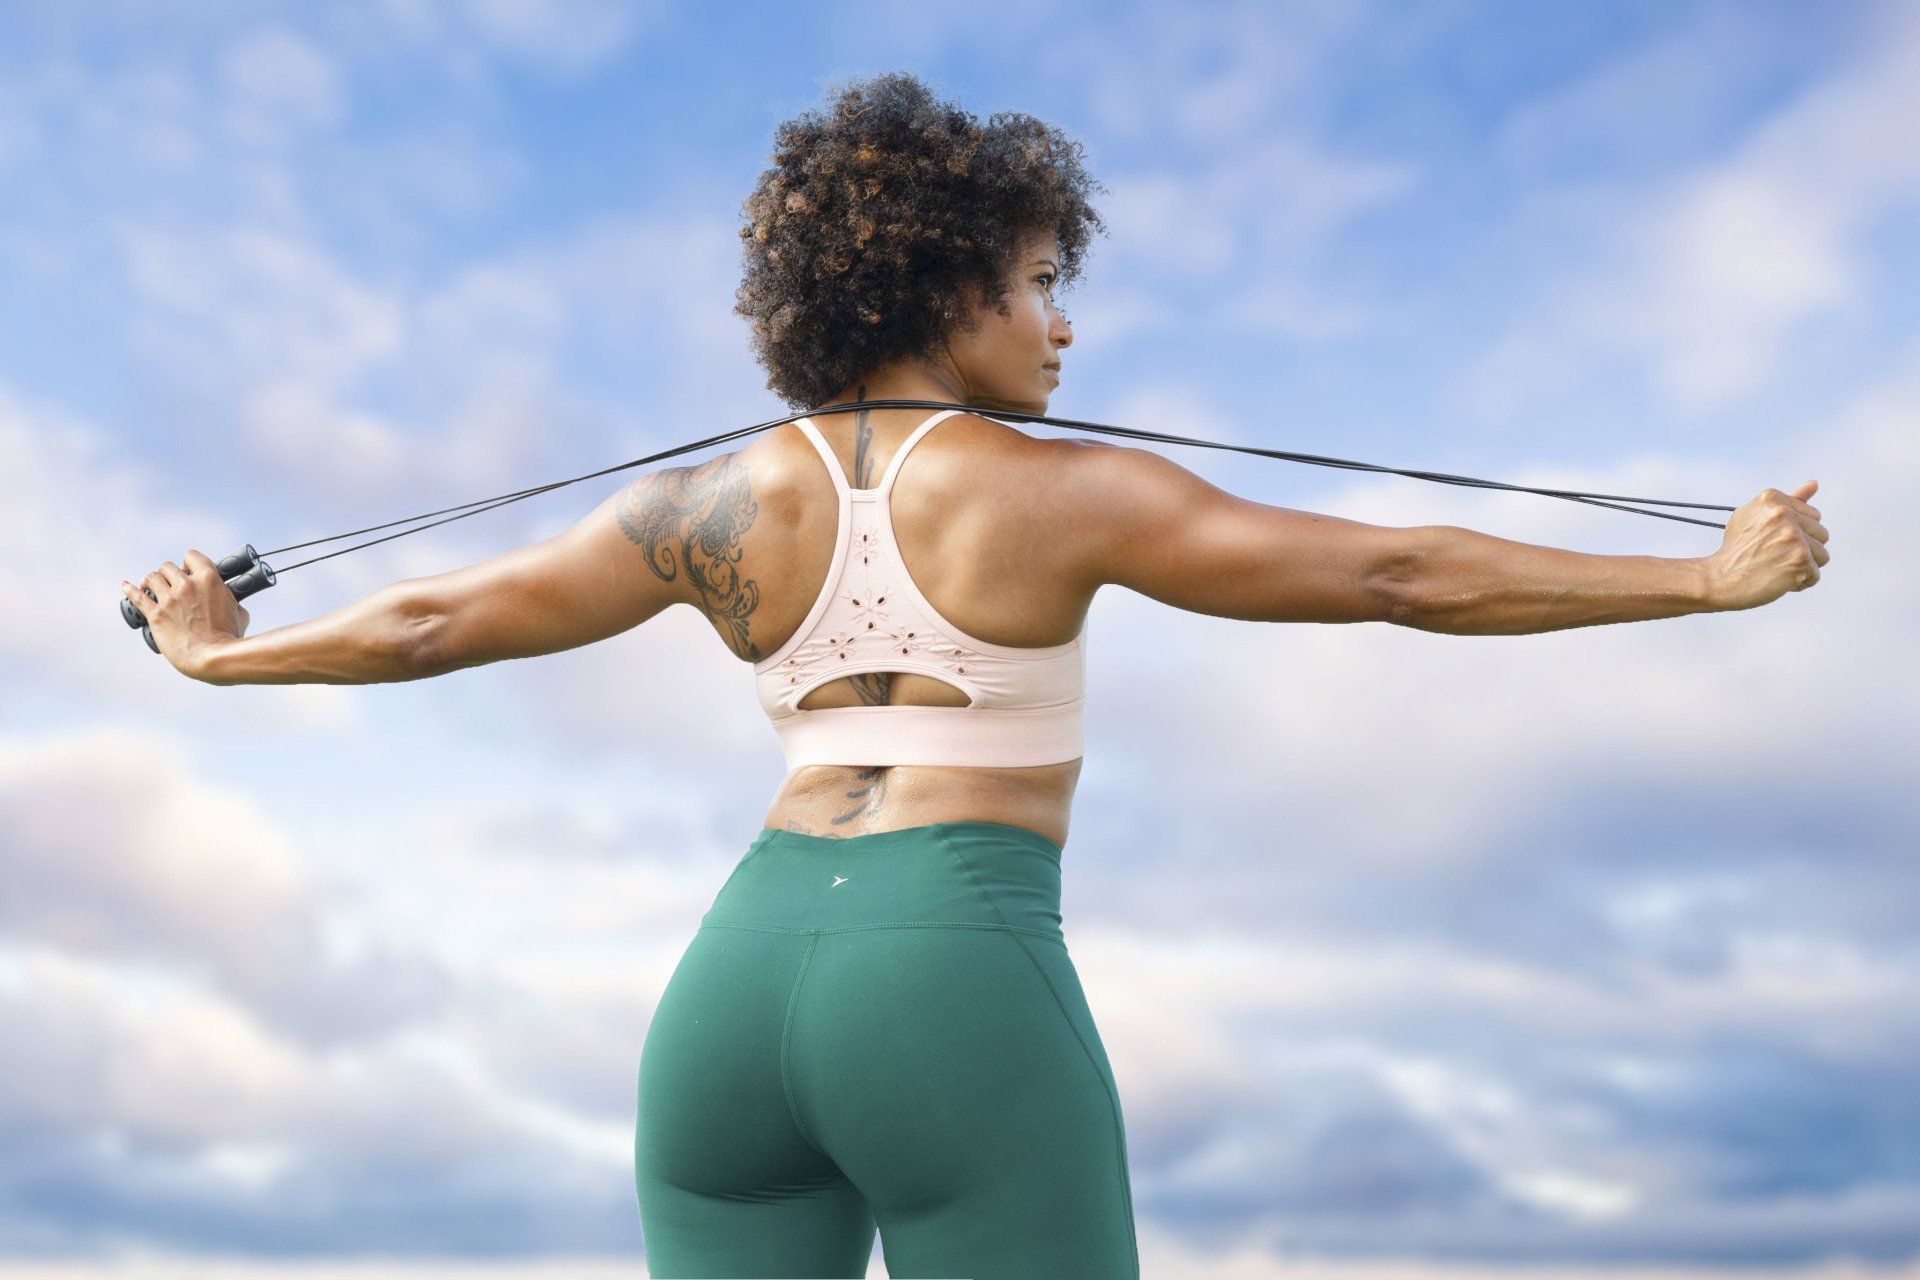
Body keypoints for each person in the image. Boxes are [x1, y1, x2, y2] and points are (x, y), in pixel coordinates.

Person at [123, 71, 1830, 1280]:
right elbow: (1393, 572)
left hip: (734, 984)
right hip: (948, 967)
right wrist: (1699, 578)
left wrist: (223, 659)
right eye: (1035, 286)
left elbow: (431, 624)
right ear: (947, 286)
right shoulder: (1060, 492)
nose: (1061, 329)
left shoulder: (698, 508)